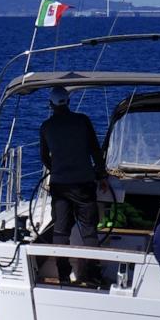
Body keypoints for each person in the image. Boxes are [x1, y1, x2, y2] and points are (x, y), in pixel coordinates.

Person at [39, 86, 109, 287]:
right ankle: (92, 274)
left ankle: (63, 275)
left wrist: (57, 169)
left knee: (60, 231)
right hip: (84, 184)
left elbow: (44, 157)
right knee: (89, 231)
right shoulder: (83, 121)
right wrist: (101, 175)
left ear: (51, 105)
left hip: (60, 186)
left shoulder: (46, 127)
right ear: (68, 102)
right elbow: (95, 151)